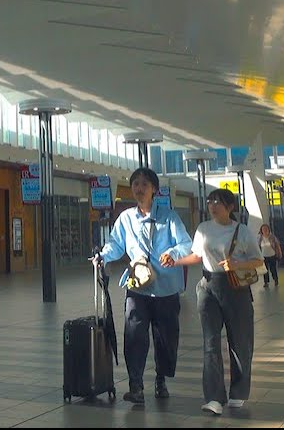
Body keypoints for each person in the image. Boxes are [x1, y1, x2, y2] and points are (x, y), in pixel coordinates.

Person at [93, 167, 191, 404]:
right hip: (137, 287)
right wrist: (102, 257)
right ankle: (135, 384)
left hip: (166, 288)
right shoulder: (126, 218)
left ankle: (161, 379)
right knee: (134, 335)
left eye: (144, 184)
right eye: (135, 184)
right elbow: (115, 245)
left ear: (154, 189)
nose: (139, 188)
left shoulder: (169, 217)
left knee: (166, 338)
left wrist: (173, 252)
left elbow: (186, 243)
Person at [164, 188, 262, 416]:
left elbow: (258, 260)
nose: (212, 205)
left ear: (230, 207)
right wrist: (176, 261)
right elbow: (197, 256)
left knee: (240, 342)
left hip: (236, 289)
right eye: (210, 201)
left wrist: (236, 265)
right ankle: (214, 397)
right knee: (210, 344)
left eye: (218, 201)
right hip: (208, 287)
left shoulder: (243, 231)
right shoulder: (203, 229)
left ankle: (238, 391)